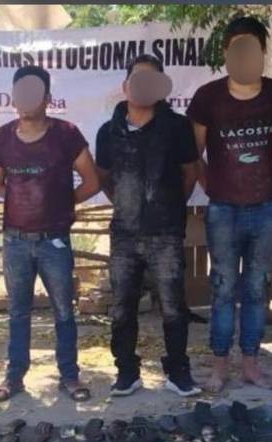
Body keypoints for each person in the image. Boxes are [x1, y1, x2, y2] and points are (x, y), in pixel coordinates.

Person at [187, 16, 272, 392]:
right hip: (223, 210)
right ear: (227, 52)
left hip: (264, 208)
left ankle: (251, 364)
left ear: (263, 52)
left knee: (256, 288)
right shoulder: (208, 97)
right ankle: (219, 366)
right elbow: (194, 153)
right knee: (222, 287)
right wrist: (212, 185)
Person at [0, 65, 100, 402]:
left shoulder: (67, 134)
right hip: (15, 241)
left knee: (63, 311)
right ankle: (14, 378)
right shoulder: (0, 138)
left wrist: (61, 202)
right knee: (17, 312)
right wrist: (25, 200)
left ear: (48, 98)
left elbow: (92, 182)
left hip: (54, 241)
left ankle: (70, 377)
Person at [95, 54, 201, 398]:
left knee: (173, 307)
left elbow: (189, 174)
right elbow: (104, 177)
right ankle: (127, 372)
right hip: (124, 236)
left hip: (166, 234)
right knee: (122, 308)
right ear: (125, 86)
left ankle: (178, 372)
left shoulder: (177, 127)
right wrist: (126, 204)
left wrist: (167, 207)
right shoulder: (107, 132)